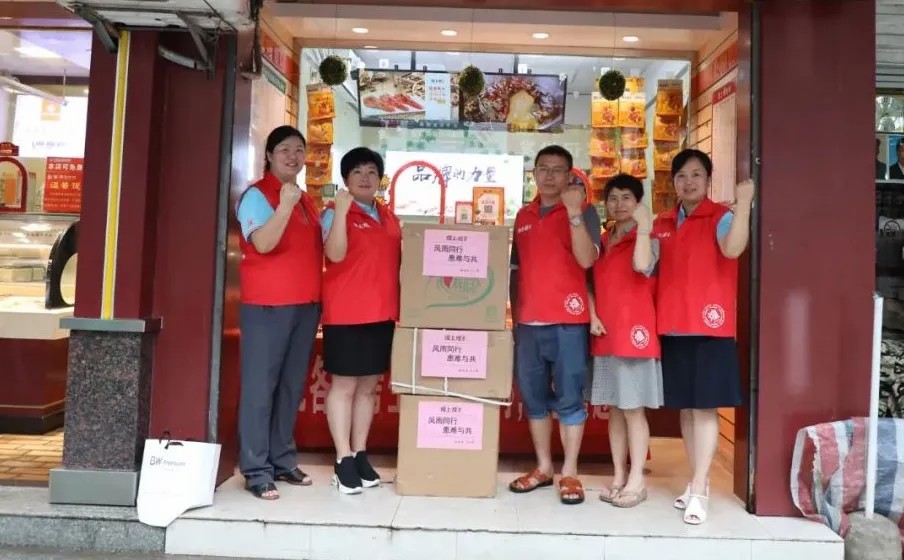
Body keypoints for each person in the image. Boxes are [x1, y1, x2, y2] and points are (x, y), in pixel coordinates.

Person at [654, 149, 754, 524]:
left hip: (711, 327)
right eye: (682, 175)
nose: (689, 181)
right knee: (685, 408)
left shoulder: (721, 216)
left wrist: (744, 205)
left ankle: (698, 488)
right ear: (673, 182)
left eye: (697, 174)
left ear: (708, 180)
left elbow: (734, 248)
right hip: (672, 325)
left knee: (704, 407)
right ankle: (698, 481)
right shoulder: (663, 221)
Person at [508, 145, 601, 505]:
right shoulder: (523, 215)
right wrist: (514, 318)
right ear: (533, 174)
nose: (549, 176)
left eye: (557, 169)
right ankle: (544, 467)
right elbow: (515, 271)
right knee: (534, 398)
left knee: (569, 397)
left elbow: (587, 260)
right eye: (543, 168)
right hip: (528, 323)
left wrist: (574, 214)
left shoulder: (585, 211)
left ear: (570, 175)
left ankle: (570, 472)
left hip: (569, 321)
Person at [235, 125, 323, 500]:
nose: (293, 156)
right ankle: (256, 469)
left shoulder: (305, 200)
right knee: (260, 388)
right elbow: (264, 243)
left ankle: (282, 459)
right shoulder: (257, 196)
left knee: (290, 386)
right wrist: (284, 206)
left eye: (299, 150)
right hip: (267, 306)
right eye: (284, 149)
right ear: (269, 155)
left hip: (305, 305)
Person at [320, 147, 401, 495]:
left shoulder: (388, 216)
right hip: (346, 312)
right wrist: (341, 212)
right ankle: (342, 459)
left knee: (368, 388)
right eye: (357, 172)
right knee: (345, 387)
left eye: (372, 172)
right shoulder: (333, 212)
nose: (366, 178)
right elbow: (335, 254)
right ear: (346, 179)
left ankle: (360, 452)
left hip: (383, 312)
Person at [587, 174, 663, 509]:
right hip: (606, 335)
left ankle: (637, 480)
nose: (619, 204)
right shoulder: (602, 241)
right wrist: (592, 315)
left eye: (626, 198)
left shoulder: (648, 238)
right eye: (613, 198)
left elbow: (641, 264)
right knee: (615, 409)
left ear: (638, 202)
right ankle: (618, 475)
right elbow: (590, 284)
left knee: (633, 410)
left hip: (635, 336)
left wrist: (644, 227)